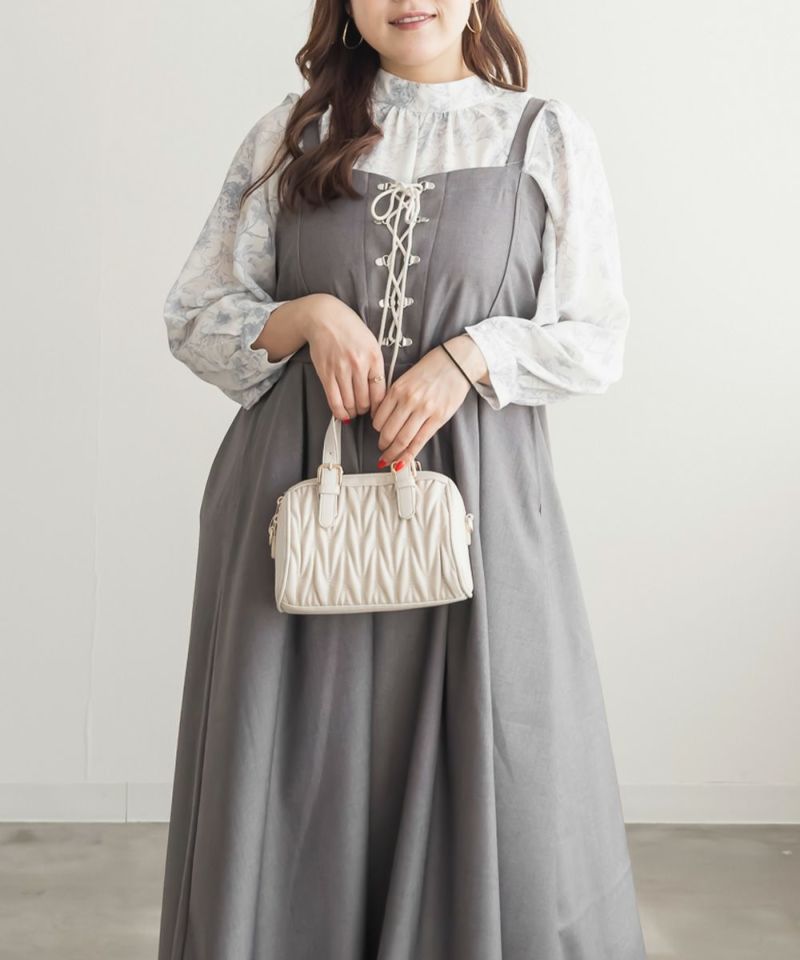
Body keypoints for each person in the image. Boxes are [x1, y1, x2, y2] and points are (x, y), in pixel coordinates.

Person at [157, 1, 648, 958]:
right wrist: (307, 316)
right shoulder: (291, 134)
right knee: (292, 778)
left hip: (481, 516)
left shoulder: (542, 137)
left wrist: (472, 353)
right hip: (295, 513)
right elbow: (195, 314)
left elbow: (598, 337)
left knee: (503, 771)